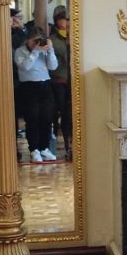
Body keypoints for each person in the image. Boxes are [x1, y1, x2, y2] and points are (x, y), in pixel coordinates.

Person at [14, 26, 58, 163]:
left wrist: (50, 50)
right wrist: (35, 52)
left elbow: (53, 66)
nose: (37, 43)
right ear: (28, 39)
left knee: (47, 117)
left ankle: (44, 148)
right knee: (32, 118)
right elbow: (25, 67)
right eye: (34, 40)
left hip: (45, 84)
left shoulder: (44, 50)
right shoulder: (20, 51)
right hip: (28, 87)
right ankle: (34, 149)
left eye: (40, 40)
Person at [49, 11, 71, 160]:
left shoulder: (76, 37)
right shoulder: (53, 40)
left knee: (70, 115)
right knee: (61, 112)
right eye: (63, 21)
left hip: (73, 81)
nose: (65, 25)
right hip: (59, 81)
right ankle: (59, 144)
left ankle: (70, 146)